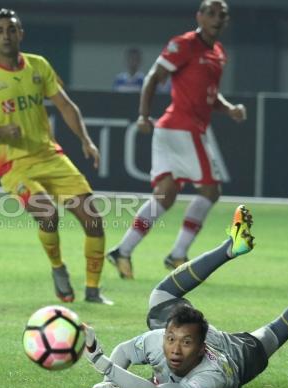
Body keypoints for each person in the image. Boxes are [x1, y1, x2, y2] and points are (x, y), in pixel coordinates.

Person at [83, 204, 288, 388]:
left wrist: (100, 361)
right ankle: (230, 246)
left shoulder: (211, 378)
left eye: (185, 344)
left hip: (238, 356)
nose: (174, 350)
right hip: (209, 337)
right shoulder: (159, 340)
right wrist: (113, 381)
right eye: (171, 340)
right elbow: (126, 352)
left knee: (277, 332)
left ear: (200, 348)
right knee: (160, 298)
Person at [0, 8, 111, 305]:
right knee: (47, 212)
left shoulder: (38, 66)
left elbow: (66, 105)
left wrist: (85, 140)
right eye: (0, 30)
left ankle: (93, 291)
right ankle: (58, 269)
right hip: (15, 165)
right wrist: (0, 131)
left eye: (12, 29)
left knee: (93, 219)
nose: (7, 35)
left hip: (49, 156)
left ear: (21, 33)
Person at [107, 0, 246, 279]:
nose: (217, 19)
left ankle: (122, 250)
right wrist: (143, 115)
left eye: (223, 15)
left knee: (166, 195)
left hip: (178, 129)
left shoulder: (218, 52)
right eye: (211, 13)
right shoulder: (184, 44)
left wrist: (228, 108)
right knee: (210, 190)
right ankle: (178, 254)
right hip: (182, 128)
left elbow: (210, 94)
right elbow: (153, 78)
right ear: (200, 16)